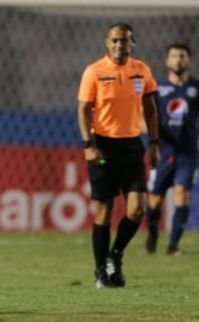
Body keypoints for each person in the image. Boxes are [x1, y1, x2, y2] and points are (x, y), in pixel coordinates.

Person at [77, 23, 159, 289]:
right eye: (114, 40)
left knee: (137, 210)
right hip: (103, 145)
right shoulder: (94, 71)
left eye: (124, 40)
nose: (118, 45)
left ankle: (116, 254)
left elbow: (151, 109)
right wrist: (88, 144)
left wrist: (155, 143)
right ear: (106, 42)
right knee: (104, 211)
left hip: (132, 146)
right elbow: (83, 109)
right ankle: (101, 272)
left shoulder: (141, 70)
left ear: (132, 43)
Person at [145, 43, 199, 256]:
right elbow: (145, 116)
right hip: (163, 152)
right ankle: (152, 236)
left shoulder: (196, 88)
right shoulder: (157, 87)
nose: (178, 60)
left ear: (188, 60)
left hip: (187, 152)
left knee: (182, 194)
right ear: (167, 61)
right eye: (174, 56)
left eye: (182, 56)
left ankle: (173, 246)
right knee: (155, 199)